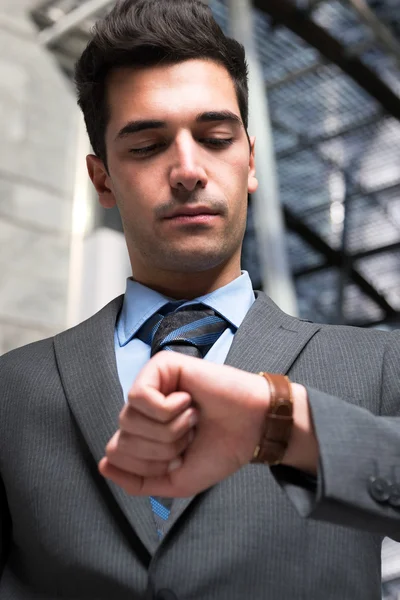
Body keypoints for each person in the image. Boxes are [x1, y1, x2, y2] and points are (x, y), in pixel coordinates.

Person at [0, 0, 399, 598]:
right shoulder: (13, 387)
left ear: (251, 162)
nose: (187, 169)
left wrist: (284, 426)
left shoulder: (377, 363)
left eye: (214, 137)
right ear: (102, 178)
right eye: (145, 146)